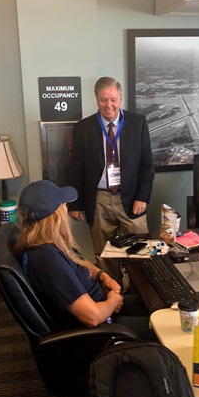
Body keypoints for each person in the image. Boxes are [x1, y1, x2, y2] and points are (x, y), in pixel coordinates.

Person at [15, 180, 155, 341]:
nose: (66, 208)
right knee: (163, 328)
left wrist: (102, 276)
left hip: (101, 305)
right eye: (63, 204)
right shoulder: (48, 260)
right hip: (99, 331)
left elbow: (78, 262)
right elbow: (92, 317)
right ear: (54, 215)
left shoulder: (48, 243)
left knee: (155, 307)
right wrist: (112, 301)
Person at [68, 76, 155, 281]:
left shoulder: (137, 123)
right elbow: (76, 169)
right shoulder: (83, 128)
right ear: (96, 100)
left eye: (113, 99)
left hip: (132, 198)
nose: (109, 105)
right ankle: (113, 292)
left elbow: (147, 165)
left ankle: (140, 291)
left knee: (140, 250)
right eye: (103, 100)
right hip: (99, 199)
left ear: (120, 98)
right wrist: (75, 204)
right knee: (104, 253)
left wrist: (142, 197)